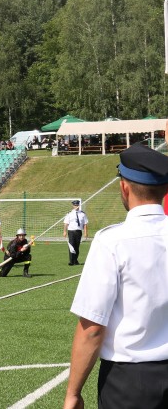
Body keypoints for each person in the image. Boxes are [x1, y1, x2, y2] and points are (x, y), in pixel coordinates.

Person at [63, 143, 168, 409]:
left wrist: (73, 394)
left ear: (124, 187)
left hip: (130, 381)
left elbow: (92, 328)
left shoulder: (112, 241)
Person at [63, 200, 88, 265]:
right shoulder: (69, 214)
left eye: (77, 205)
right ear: (73, 206)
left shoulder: (82, 214)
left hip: (78, 232)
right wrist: (64, 231)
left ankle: (75, 260)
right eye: (75, 205)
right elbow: (66, 223)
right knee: (71, 246)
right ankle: (71, 261)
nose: (76, 206)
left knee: (77, 247)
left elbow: (85, 224)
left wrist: (85, 232)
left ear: (79, 205)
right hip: (71, 232)